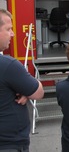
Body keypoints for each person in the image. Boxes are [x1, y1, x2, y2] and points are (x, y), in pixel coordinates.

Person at [0, 9, 44, 152]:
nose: (12, 33)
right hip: (9, 144)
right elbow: (38, 93)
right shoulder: (8, 65)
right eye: (8, 29)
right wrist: (25, 89)